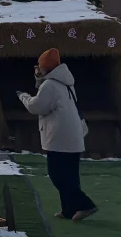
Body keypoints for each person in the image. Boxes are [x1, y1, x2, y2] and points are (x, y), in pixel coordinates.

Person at [19, 47, 97, 222]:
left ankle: (86, 205)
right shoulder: (65, 82)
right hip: (72, 137)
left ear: (45, 67)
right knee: (70, 176)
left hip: (59, 138)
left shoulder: (50, 85)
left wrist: (23, 96)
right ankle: (69, 210)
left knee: (57, 175)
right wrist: (39, 79)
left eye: (39, 65)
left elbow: (36, 106)